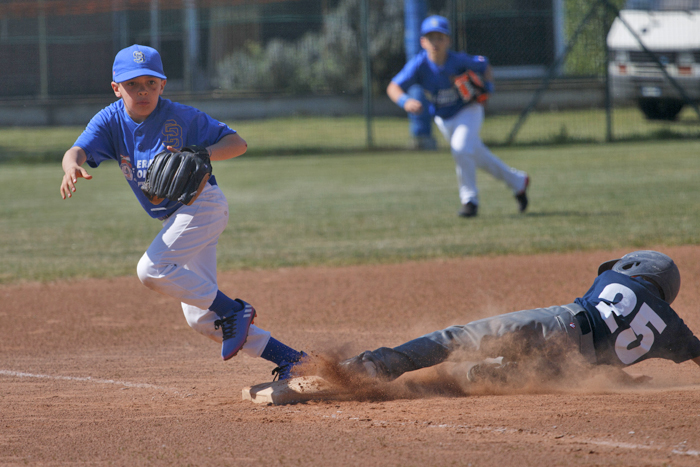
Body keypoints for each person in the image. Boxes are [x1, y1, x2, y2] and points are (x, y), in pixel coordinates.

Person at [59, 44, 304, 380]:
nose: (142, 91)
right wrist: (71, 166)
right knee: (200, 318)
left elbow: (238, 143)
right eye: (132, 84)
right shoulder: (110, 120)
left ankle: (235, 310)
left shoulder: (180, 117)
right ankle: (294, 360)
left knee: (151, 269)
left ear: (163, 85)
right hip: (175, 219)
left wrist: (201, 153)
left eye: (150, 83)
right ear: (116, 88)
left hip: (203, 206)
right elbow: (77, 150)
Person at [340, 251, 700, 385]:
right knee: (499, 374)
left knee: (461, 339)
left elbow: (607, 314)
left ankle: (376, 366)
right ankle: (493, 375)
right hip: (574, 370)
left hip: (561, 326)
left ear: (636, 269)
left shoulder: (616, 280)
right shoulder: (672, 329)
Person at [387, 15, 529, 218]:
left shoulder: (458, 60)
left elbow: (485, 66)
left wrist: (488, 88)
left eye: (440, 37)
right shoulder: (419, 65)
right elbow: (393, 87)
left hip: (468, 110)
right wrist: (405, 101)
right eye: (431, 37)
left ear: (448, 41)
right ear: (422, 42)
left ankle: (469, 200)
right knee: (477, 156)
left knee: (461, 148)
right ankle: (519, 182)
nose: (435, 42)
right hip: (444, 120)